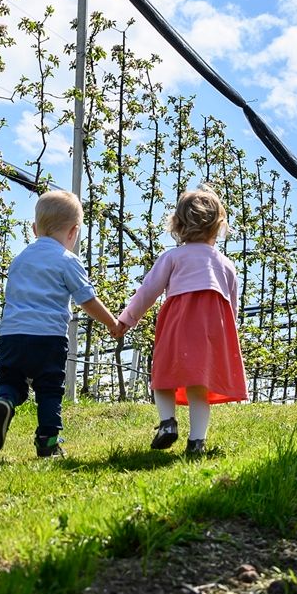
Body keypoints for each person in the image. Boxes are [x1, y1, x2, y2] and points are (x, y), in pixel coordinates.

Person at [0, 189, 119, 459]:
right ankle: (48, 441)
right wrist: (112, 322)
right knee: (48, 388)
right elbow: (86, 300)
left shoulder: (19, 260)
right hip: (48, 337)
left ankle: (4, 400)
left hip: (12, 335)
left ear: (34, 228)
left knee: (11, 379)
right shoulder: (67, 260)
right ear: (74, 232)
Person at [112, 188, 247, 457]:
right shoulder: (226, 264)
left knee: (164, 374)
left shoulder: (172, 257)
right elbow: (232, 308)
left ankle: (167, 423)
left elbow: (148, 291)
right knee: (200, 385)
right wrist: (228, 341)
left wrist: (127, 319)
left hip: (179, 322)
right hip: (213, 330)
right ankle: (196, 442)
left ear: (178, 225)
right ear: (219, 226)